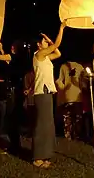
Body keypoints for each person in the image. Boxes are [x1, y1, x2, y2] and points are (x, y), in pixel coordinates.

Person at [32, 20, 67, 168]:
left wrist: (50, 40)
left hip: (47, 92)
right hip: (41, 92)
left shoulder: (46, 57)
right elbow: (56, 46)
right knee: (41, 125)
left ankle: (45, 155)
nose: (46, 43)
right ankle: (37, 157)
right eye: (44, 41)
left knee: (48, 126)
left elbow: (58, 53)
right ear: (39, 45)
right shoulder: (39, 54)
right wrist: (61, 28)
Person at [0, 40, 29, 154]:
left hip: (14, 91)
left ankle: (15, 146)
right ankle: (15, 145)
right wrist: (1, 50)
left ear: (14, 49)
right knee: (13, 119)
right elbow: (8, 61)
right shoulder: (20, 59)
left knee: (11, 119)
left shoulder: (13, 57)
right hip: (18, 91)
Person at [56, 61, 84, 140]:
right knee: (77, 117)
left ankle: (69, 135)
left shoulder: (64, 66)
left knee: (68, 117)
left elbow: (60, 80)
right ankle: (76, 135)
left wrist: (62, 89)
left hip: (69, 95)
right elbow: (83, 81)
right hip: (77, 95)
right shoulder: (79, 66)